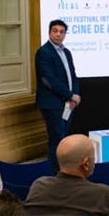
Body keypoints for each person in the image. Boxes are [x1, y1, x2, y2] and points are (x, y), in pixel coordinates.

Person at [34, 19, 81, 169]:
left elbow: (72, 76)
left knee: (64, 137)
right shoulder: (43, 52)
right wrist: (69, 95)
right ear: (49, 32)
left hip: (68, 104)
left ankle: (63, 168)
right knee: (57, 138)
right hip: (52, 103)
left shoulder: (66, 52)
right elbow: (49, 80)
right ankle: (55, 171)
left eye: (61, 32)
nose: (58, 34)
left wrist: (75, 95)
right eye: (55, 31)